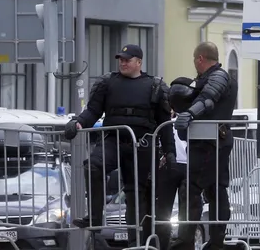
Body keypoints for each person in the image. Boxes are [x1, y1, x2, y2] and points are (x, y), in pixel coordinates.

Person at [64, 44, 176, 243]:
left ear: (139, 62)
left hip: (142, 145)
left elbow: (165, 124)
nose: (123, 63)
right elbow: (92, 111)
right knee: (93, 166)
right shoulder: (108, 83)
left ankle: (137, 243)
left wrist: (170, 152)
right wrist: (78, 122)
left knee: (136, 195)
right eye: (121, 59)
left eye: (127, 60)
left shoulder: (155, 86)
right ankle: (95, 217)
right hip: (113, 140)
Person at [173, 42, 238, 250]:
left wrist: (189, 114)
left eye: (195, 60)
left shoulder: (218, 76)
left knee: (192, 189)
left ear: (200, 58)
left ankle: (186, 241)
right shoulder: (211, 77)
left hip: (209, 142)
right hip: (212, 140)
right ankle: (215, 242)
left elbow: (208, 99)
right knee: (215, 190)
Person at [154, 77, 193, 250]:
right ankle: (163, 245)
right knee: (165, 211)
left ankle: (180, 244)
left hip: (184, 165)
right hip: (171, 164)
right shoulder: (167, 114)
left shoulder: (192, 112)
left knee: (183, 211)